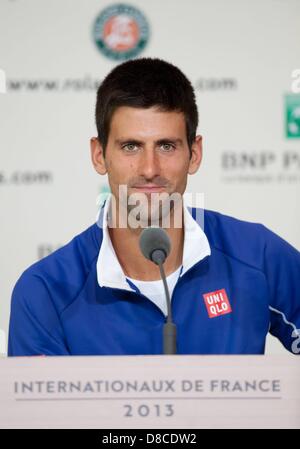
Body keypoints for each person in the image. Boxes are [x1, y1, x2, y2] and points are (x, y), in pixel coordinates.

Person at [8, 58, 300, 356]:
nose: (149, 169)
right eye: (130, 146)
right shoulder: (44, 291)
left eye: (166, 146)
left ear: (194, 154)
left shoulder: (257, 255)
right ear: (99, 155)